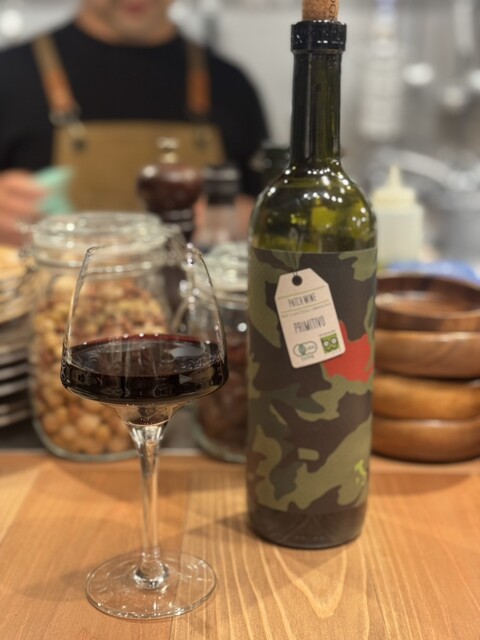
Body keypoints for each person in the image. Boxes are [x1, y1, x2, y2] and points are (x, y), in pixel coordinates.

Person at [0, 0, 269, 245]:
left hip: (189, 281)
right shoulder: (10, 75)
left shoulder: (230, 85)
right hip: (59, 282)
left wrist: (248, 218)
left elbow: (269, 203)